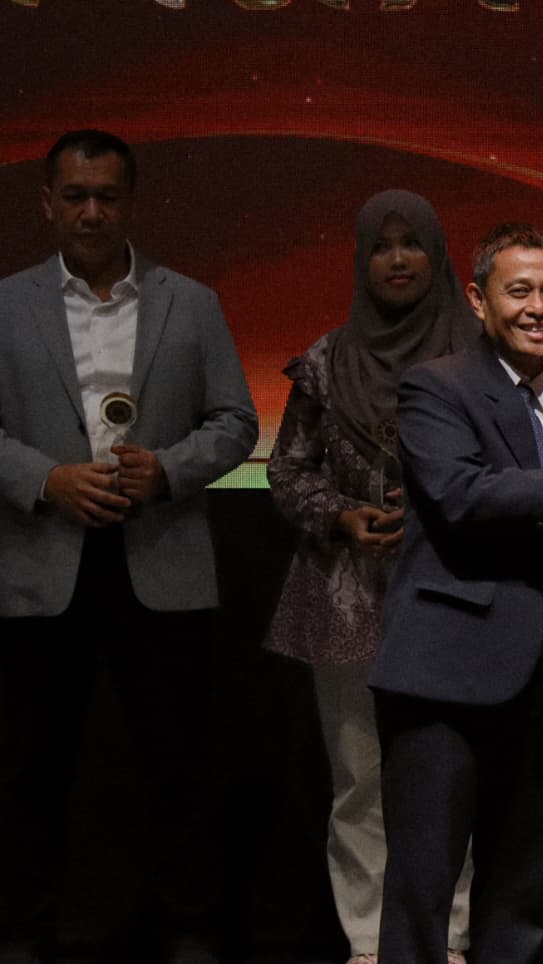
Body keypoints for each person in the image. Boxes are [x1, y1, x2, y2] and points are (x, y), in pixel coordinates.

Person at [0, 129, 258, 964]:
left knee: (179, 762)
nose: (91, 212)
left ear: (132, 203)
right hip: (44, 559)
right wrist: (47, 478)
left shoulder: (194, 302)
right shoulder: (6, 304)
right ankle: (24, 931)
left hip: (161, 557)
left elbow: (237, 421)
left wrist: (169, 471)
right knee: (30, 767)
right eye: (75, 196)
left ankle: (189, 929)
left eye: (107, 196)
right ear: (47, 203)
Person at [369, 223, 543, 964]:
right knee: (423, 886)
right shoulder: (435, 386)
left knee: (522, 891)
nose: (539, 308)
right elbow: (461, 494)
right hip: (444, 674)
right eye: (519, 290)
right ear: (478, 299)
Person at [264, 190, 478, 964]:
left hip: (453, 588)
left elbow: (509, 464)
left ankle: (447, 937)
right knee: (360, 775)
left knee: (451, 773)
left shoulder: (479, 358)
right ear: (361, 260)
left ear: (438, 255)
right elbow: (288, 471)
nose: (397, 259)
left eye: (411, 243)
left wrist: (435, 512)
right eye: (381, 246)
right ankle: (367, 941)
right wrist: (341, 515)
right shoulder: (326, 361)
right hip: (347, 590)